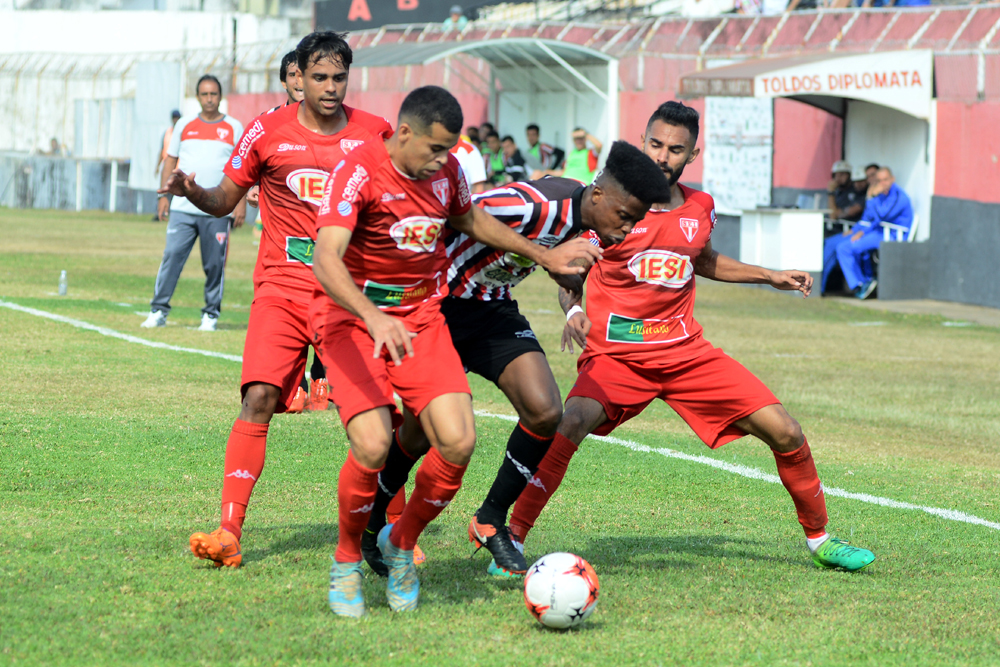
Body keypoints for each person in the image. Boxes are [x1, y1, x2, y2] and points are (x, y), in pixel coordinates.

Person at [505, 100, 876, 575]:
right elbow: (570, 273)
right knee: (570, 421)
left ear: (692, 155)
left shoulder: (701, 206)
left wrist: (769, 275)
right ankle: (511, 537)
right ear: (642, 142)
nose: (662, 156)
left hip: (686, 354)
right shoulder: (615, 208)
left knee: (786, 430)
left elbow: (701, 258)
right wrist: (575, 309)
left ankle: (821, 539)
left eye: (675, 149)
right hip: (617, 357)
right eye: (655, 144)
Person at [310, 85, 601, 617]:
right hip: (354, 320)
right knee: (374, 445)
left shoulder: (445, 174)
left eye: (450, 151)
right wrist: (374, 316)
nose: (445, 161)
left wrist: (543, 255)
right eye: (435, 149)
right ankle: (347, 558)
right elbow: (326, 258)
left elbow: (472, 220)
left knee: (459, 441)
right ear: (403, 134)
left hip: (421, 320)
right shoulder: (356, 171)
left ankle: (399, 544)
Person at [358, 141, 671, 579]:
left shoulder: (597, 226)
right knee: (420, 429)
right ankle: (373, 523)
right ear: (598, 194)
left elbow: (565, 267)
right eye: (624, 217)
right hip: (441, 307)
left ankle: (489, 519)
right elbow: (461, 211)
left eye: (634, 221)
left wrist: (571, 296)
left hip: (492, 309)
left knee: (545, 410)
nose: (625, 230)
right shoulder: (530, 204)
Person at [158, 32, 393, 568]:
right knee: (259, 396)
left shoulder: (374, 134)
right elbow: (223, 200)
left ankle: (394, 532)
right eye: (319, 77)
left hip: (347, 295)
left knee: (374, 416)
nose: (330, 88)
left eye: (339, 78)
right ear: (298, 78)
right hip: (282, 287)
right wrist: (191, 190)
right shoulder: (265, 130)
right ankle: (229, 530)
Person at [244, 49, 327, 413]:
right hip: (282, 234)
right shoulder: (267, 124)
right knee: (284, 303)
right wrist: (252, 187)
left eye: (302, 74)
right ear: (285, 81)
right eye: (292, 75)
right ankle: (293, 383)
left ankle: (322, 378)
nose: (298, 82)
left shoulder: (336, 123)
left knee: (328, 302)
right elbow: (249, 171)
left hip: (330, 234)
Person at [142, 74, 246, 332]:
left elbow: (243, 168)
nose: (209, 99)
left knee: (214, 264)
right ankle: (158, 310)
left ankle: (210, 314)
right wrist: (164, 197)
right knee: (172, 257)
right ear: (198, 97)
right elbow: (170, 160)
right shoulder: (184, 125)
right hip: (183, 209)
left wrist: (240, 203)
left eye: (213, 94)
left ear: (220, 96)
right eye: (204, 94)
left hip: (218, 209)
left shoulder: (235, 127)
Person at [822, 167, 913, 299]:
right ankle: (860, 284)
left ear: (892, 179)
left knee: (845, 247)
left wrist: (871, 198)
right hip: (877, 231)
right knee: (839, 246)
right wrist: (858, 231)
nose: (882, 183)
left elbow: (882, 216)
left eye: (885, 180)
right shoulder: (880, 195)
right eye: (879, 180)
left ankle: (862, 284)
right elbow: (870, 218)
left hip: (891, 234)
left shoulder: (899, 196)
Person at [155, 110, 182, 183]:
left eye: (177, 118)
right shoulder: (167, 133)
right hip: (167, 168)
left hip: (179, 170)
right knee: (165, 190)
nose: (175, 120)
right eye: (174, 118)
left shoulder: (183, 133)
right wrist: (157, 166)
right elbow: (162, 150)